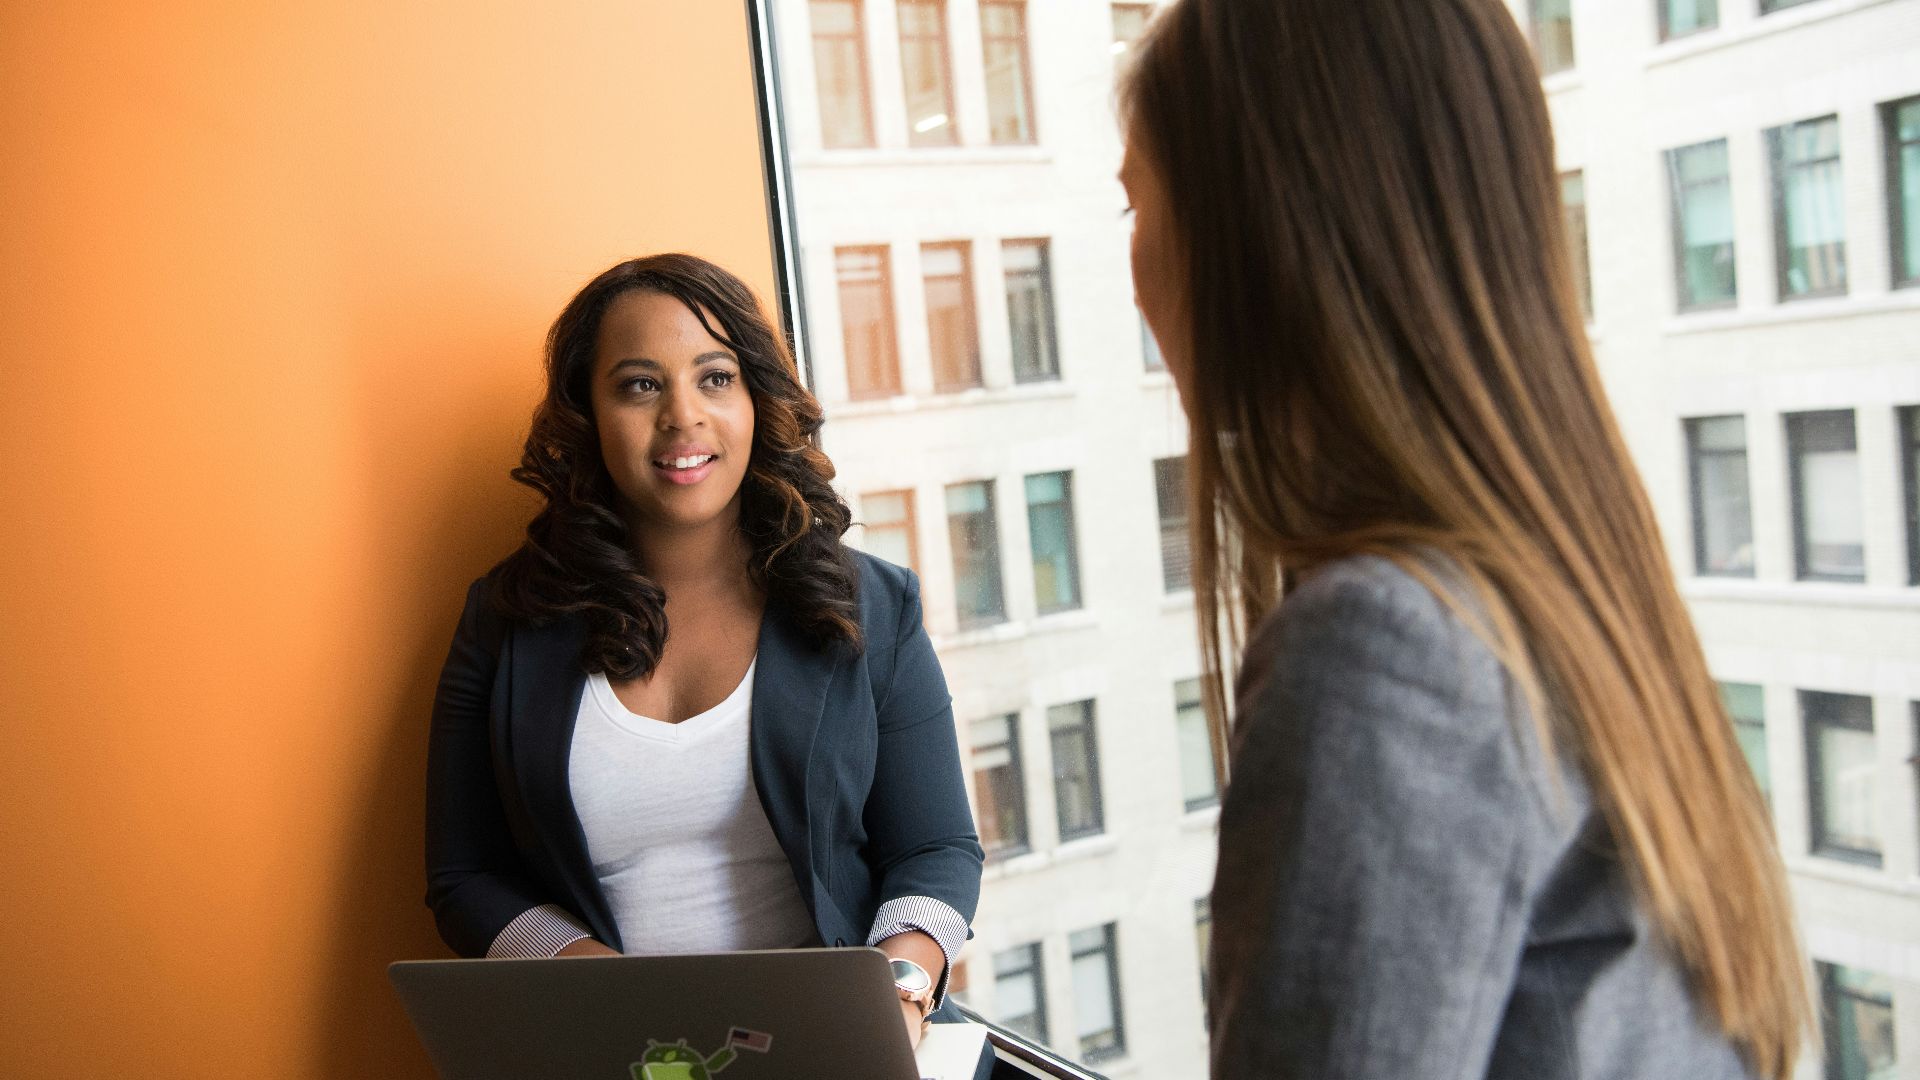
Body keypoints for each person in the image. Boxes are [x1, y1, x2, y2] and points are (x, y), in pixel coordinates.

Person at [1118, 2, 1810, 1078]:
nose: (1137, 265)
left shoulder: (1382, 648)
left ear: (1251, 230)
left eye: (1135, 201)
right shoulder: (1561, 584)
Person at [423, 254, 984, 1055]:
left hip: (837, 1045)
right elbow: (463, 876)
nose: (682, 416)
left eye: (715, 378)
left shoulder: (873, 608)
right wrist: (600, 984)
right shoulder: (507, 620)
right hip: (620, 1053)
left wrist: (897, 996)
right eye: (640, 385)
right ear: (589, 412)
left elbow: (936, 850)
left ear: (757, 398)